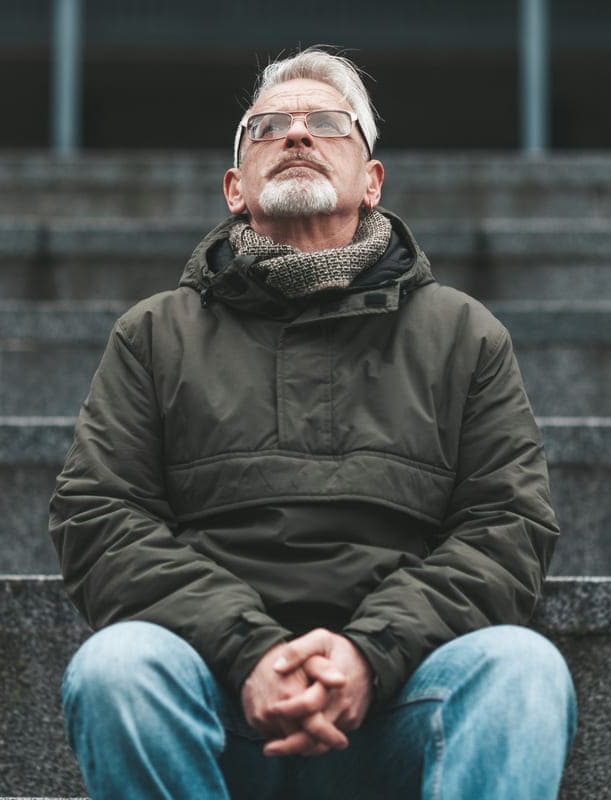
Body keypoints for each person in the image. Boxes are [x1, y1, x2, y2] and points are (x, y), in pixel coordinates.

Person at [49, 46, 576, 800]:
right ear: (235, 188)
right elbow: (97, 516)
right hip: (218, 700)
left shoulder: (465, 335)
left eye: (328, 123)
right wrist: (248, 650)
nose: (297, 135)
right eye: (267, 128)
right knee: (116, 668)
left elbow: (509, 527)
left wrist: (369, 654)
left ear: (372, 180)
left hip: (399, 702)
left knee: (523, 671)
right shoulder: (154, 335)